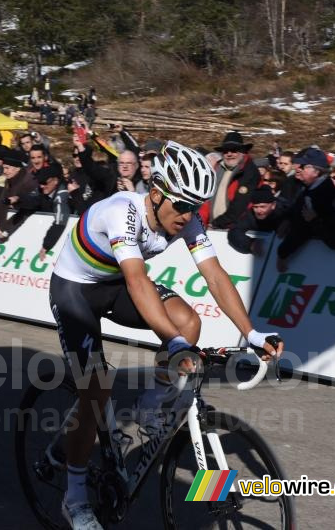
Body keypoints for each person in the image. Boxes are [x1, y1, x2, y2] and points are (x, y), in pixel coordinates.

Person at [48, 140, 283, 530]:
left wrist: (252, 333)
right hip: (76, 290)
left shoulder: (186, 217)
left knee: (189, 324)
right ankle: (74, 498)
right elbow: (139, 281)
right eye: (182, 205)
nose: (189, 215)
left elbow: (214, 275)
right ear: (156, 194)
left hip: (116, 285)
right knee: (96, 386)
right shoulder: (122, 212)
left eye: (196, 207)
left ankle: (151, 407)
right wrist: (171, 344)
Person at [227, 186, 286, 255]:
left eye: (262, 207)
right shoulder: (250, 215)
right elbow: (234, 230)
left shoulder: (284, 213)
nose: (258, 211)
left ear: (273, 205)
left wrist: (287, 222)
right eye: (255, 207)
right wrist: (250, 244)